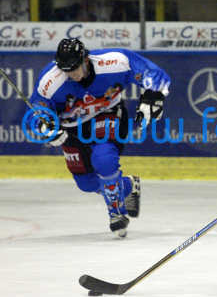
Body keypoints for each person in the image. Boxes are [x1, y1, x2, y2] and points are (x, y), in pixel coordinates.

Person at [29, 38, 170, 237]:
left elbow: (153, 73)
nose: (72, 74)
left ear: (85, 59)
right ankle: (128, 185)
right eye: (66, 70)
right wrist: (44, 126)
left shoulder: (114, 61)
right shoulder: (50, 81)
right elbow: (37, 109)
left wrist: (154, 95)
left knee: (104, 159)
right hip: (72, 128)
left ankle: (116, 213)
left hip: (107, 113)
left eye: (75, 68)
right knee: (86, 183)